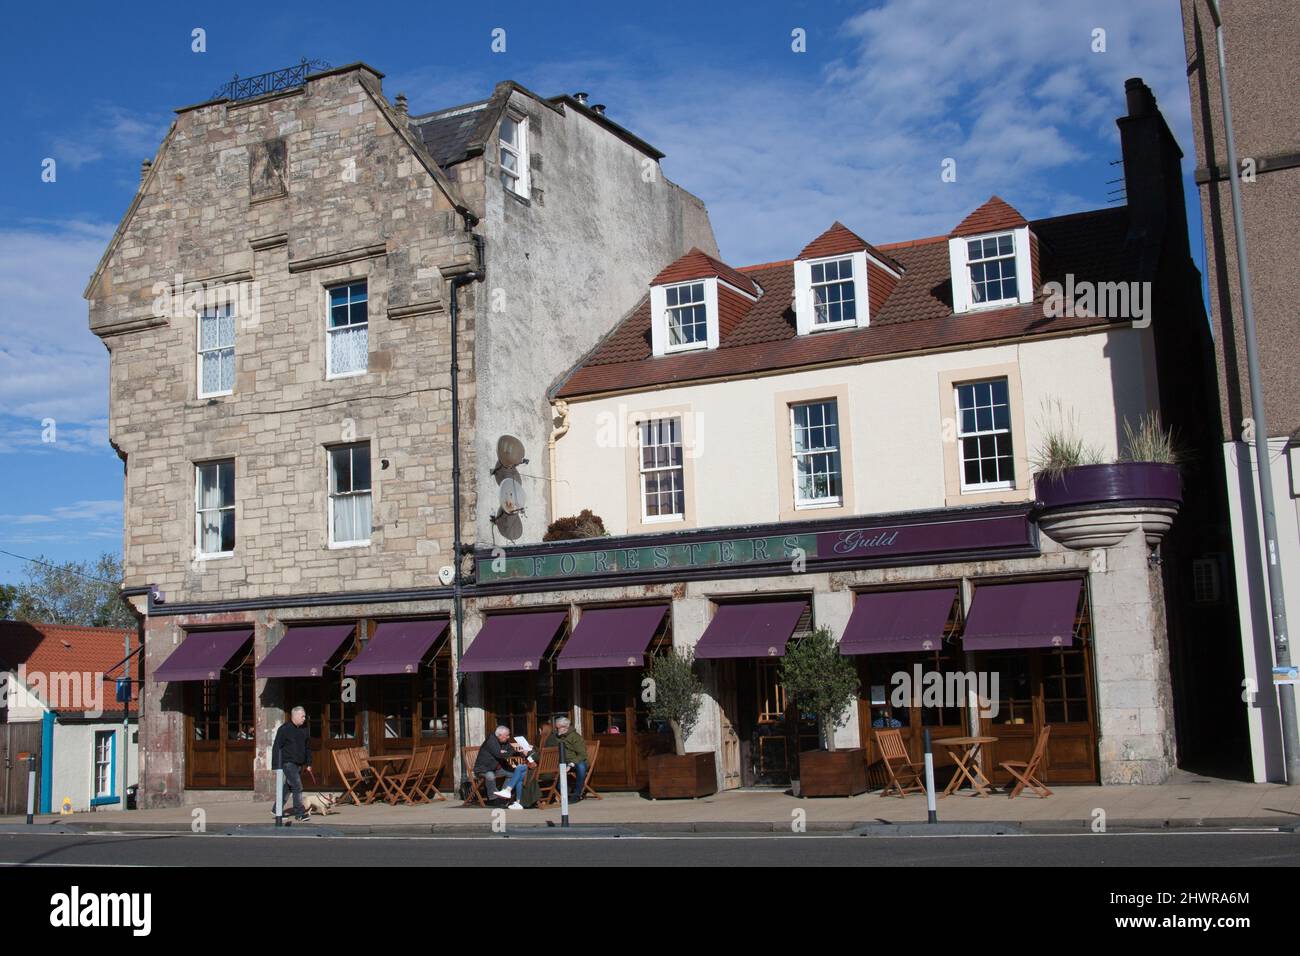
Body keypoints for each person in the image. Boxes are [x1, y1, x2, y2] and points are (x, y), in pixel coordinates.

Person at [474, 725, 533, 810]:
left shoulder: (504, 741)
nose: (508, 737)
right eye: (507, 735)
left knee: (513, 774)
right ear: (500, 735)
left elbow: (511, 750)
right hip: (484, 768)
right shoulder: (491, 741)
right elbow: (499, 755)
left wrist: (520, 752)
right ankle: (493, 799)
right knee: (490, 776)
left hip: (496, 768)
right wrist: (504, 752)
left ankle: (502, 796)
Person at [272, 706, 312, 821]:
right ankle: (299, 813)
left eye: (304, 716)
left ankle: (276, 809)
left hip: (299, 763)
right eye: (302, 716)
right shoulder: (284, 729)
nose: (304, 718)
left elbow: (307, 747)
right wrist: (276, 765)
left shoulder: (304, 730)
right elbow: (277, 747)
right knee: (297, 786)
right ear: (294, 716)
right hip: (287, 763)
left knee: (289, 787)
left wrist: (309, 763)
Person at [546, 716, 589, 801]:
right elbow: (547, 749)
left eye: (558, 728)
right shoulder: (554, 737)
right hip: (560, 761)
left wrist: (571, 764)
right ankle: (561, 794)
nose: (557, 730)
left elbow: (582, 755)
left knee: (581, 767)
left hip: (575, 761)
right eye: (556, 728)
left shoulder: (575, 737)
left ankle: (577, 794)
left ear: (566, 727)